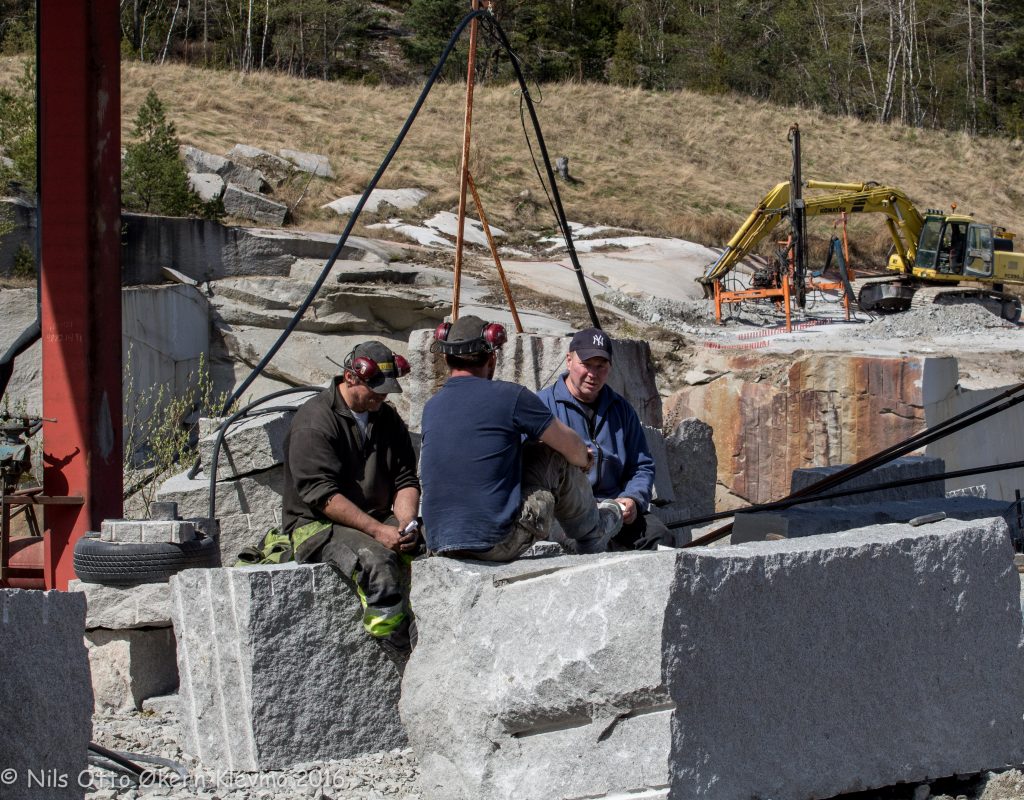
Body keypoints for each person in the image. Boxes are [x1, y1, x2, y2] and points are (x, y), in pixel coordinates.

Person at [419, 315, 623, 561]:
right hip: (496, 543)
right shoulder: (511, 397)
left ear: (447, 356)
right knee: (550, 452)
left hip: (439, 542)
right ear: (492, 358)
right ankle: (594, 532)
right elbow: (571, 447)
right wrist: (584, 460)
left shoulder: (431, 407)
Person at [282, 340, 421, 655]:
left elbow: (405, 479)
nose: (382, 396)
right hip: (317, 525)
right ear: (350, 378)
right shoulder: (314, 421)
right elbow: (323, 496)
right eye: (375, 389)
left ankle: (429, 625)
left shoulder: (387, 420)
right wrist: (378, 531)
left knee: (429, 544)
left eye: (386, 389)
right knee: (378, 561)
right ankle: (396, 642)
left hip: (376, 515)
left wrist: (406, 522)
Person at [536, 328, 673, 551]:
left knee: (660, 537)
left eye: (601, 366)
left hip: (614, 508)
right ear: (569, 361)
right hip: (563, 512)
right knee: (585, 545)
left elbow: (642, 465)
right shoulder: (542, 407)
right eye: (587, 364)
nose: (593, 373)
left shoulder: (622, 410)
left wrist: (633, 499)